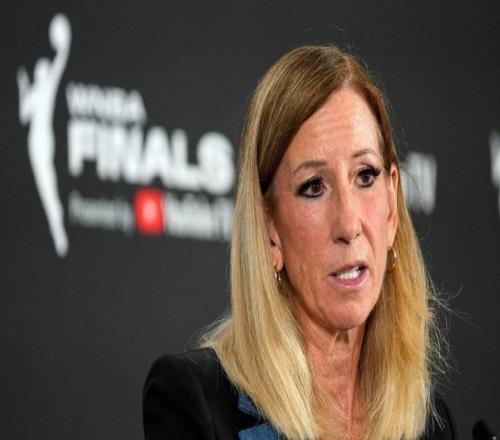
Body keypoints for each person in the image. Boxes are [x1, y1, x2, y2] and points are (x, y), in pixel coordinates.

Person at [143, 45, 458, 440]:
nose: (349, 224)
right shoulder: (196, 402)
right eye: (313, 187)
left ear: (392, 206)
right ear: (269, 230)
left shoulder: (431, 425)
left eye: (365, 176)